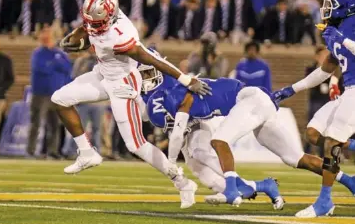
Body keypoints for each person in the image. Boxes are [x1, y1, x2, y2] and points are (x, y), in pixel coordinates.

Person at [54, 0, 210, 209]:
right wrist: (75, 37)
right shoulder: (101, 16)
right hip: (102, 73)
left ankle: (183, 183)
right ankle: (88, 153)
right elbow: (88, 28)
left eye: (96, 22)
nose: (93, 26)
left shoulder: (122, 36)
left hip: (123, 84)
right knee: (60, 99)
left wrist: (185, 79)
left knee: (136, 145)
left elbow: (155, 61)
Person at [123, 66, 355, 209]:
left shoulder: (179, 97)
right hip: (254, 103)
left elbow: (175, 136)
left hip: (250, 99)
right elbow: (176, 130)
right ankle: (349, 180)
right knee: (296, 158)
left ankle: (232, 189)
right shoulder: (177, 94)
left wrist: (171, 164)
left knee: (219, 141)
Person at [273, 0, 355, 217]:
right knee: (313, 133)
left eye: (332, 2)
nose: (327, 7)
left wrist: (341, 39)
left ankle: (325, 201)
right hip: (348, 88)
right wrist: (292, 89)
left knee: (331, 143)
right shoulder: (338, 27)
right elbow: (326, 69)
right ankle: (348, 181)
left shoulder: (345, 28)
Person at [27, 27, 72, 159]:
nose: (47, 39)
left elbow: (68, 68)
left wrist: (54, 63)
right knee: (36, 123)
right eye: (44, 37)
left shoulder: (61, 54)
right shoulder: (37, 53)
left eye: (49, 37)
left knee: (55, 125)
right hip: (40, 93)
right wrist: (56, 63)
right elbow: (42, 68)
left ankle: (53, 150)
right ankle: (31, 150)